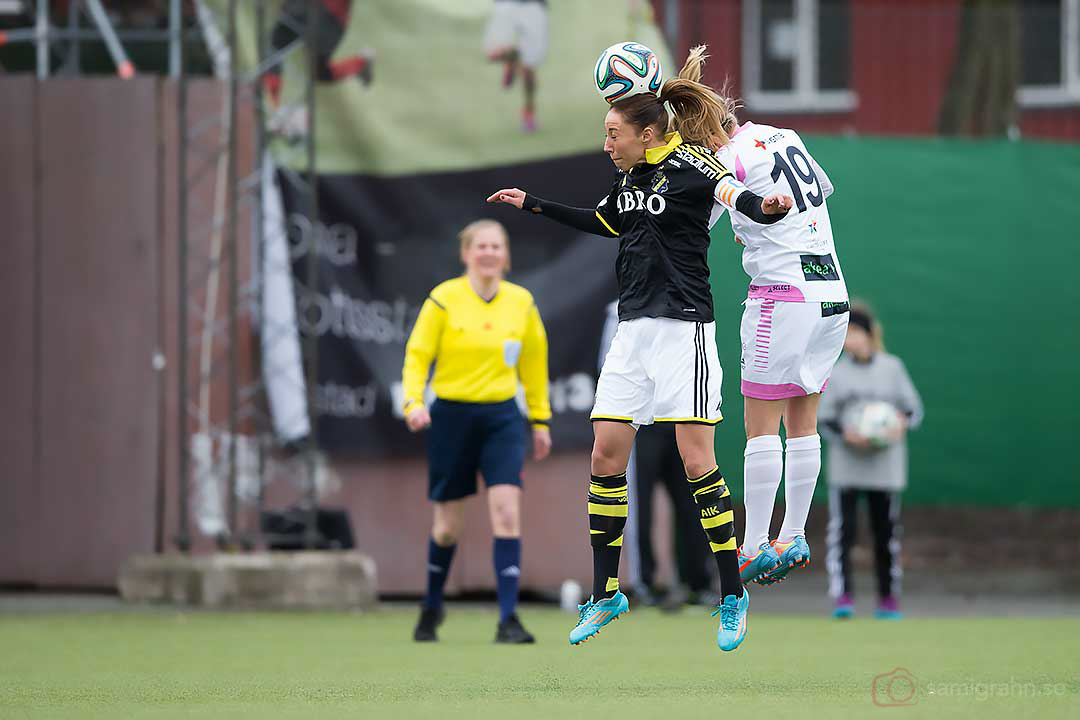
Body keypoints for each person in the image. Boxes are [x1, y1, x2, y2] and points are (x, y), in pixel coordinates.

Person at [487, 46, 793, 651]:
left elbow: (736, 196)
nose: (607, 142)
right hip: (633, 331)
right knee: (605, 452)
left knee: (696, 458)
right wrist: (536, 205)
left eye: (612, 132)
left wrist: (767, 205)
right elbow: (605, 222)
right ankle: (608, 594)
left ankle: (732, 594)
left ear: (647, 130)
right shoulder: (630, 179)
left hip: (685, 329)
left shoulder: (693, 165)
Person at [687, 46, 850, 588]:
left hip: (780, 296)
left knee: (761, 427)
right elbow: (820, 190)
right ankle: (794, 533)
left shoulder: (720, 160)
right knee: (804, 422)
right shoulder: (785, 136)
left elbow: (695, 217)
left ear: (704, 133)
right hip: (831, 292)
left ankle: (755, 543)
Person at [402, 219, 552, 644]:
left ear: (505, 255)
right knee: (448, 526)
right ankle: (431, 606)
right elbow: (417, 356)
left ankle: (508, 620)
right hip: (451, 416)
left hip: (502, 418)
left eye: (496, 246)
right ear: (466, 254)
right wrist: (413, 403)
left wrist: (540, 419)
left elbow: (534, 365)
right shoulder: (444, 300)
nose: (488, 253)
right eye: (480, 246)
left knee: (506, 511)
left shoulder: (521, 302)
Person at [818, 304, 923, 619]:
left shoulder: (892, 368)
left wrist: (898, 424)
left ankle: (888, 599)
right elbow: (824, 418)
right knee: (843, 532)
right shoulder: (835, 371)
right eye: (847, 333)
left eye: (857, 333)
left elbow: (913, 410)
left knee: (886, 533)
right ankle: (843, 597)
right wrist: (847, 434)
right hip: (847, 467)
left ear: (870, 334)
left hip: (885, 469)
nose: (852, 340)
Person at [483, 0, 548, 132]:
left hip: (534, 6)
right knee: (492, 54)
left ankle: (528, 115)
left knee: (529, 68)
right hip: (506, 4)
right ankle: (513, 57)